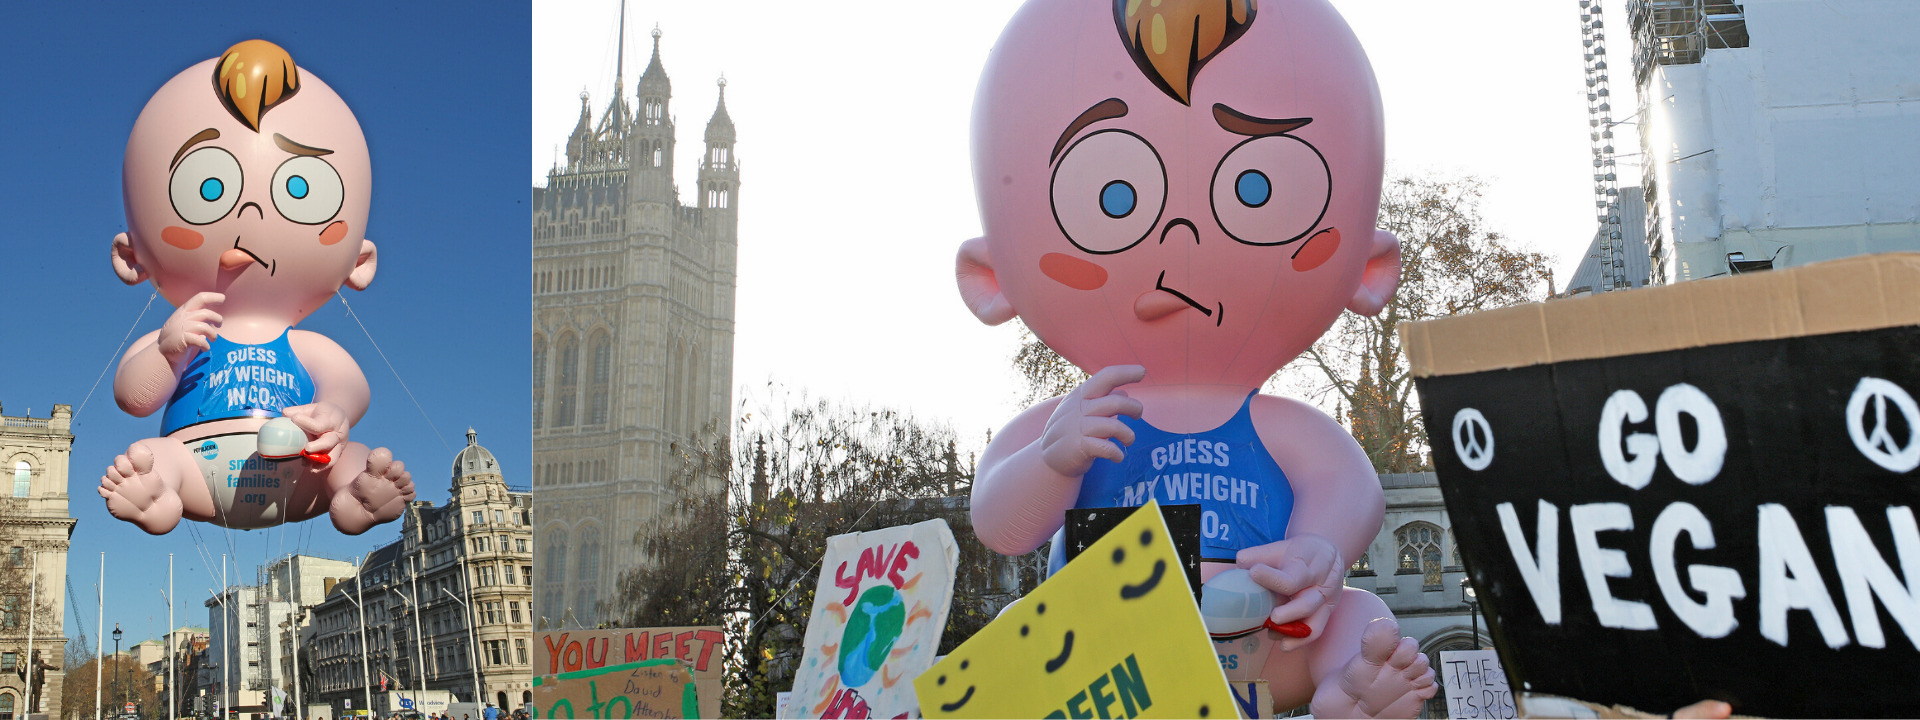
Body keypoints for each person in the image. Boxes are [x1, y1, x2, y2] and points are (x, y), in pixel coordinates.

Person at [959, 0, 1433, 717]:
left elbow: (1352, 487)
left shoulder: (1279, 425)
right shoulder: (1069, 424)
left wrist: (1317, 549)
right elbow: (999, 523)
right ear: (990, 279)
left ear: (1370, 267)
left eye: (1256, 188)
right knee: (1011, 640)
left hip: (1269, 640)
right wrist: (1052, 461)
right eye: (1115, 198)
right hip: (1109, 655)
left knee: (1362, 615)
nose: (1183, 239)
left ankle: (1352, 694)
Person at [100, 38, 415, 536]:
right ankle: (157, 491)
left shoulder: (307, 345)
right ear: (131, 258)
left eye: (300, 190)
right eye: (207, 188)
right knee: (156, 456)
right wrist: (166, 349)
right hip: (195, 458)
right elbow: (134, 397)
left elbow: (351, 387)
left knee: (350, 455)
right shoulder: (182, 335)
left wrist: (334, 412)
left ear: (359, 263)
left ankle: (356, 494)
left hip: (303, 461)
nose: (251, 215)